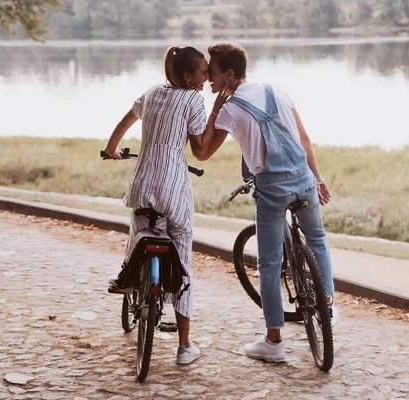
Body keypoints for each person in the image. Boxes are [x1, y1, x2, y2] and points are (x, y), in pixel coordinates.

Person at [197, 42, 339, 363]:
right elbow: (304, 140)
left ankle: (274, 342)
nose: (208, 79)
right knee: (317, 240)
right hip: (303, 179)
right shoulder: (279, 90)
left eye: (213, 73)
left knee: (270, 264)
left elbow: (202, 152)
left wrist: (216, 109)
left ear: (230, 75)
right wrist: (317, 178)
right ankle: (326, 306)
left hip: (272, 188)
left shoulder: (231, 109)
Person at [102, 45, 228, 365]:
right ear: (188, 76)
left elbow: (123, 122)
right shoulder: (193, 100)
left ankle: (128, 278)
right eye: (203, 72)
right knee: (182, 259)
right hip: (175, 190)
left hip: (143, 186)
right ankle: (184, 348)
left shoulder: (151, 92)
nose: (206, 76)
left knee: (138, 236)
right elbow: (200, 151)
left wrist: (111, 149)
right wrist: (216, 111)